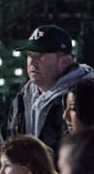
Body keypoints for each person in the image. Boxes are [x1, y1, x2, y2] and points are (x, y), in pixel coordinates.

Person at [7, 25, 91, 153]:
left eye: (41, 55)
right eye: (30, 55)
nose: (32, 62)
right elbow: (7, 148)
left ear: (64, 61)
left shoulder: (84, 97)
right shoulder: (22, 97)